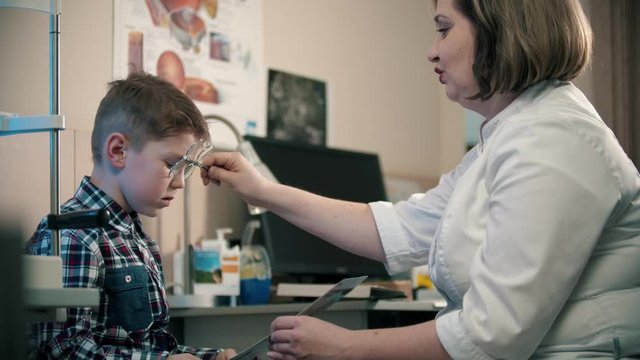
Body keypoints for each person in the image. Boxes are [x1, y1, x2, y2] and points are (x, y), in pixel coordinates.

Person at [200, 0, 640, 358]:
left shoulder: (554, 138)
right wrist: (263, 192)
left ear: (498, 29)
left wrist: (347, 348)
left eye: (444, 29)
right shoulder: (510, 135)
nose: (432, 50)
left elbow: (494, 333)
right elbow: (396, 231)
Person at [27, 72, 237, 359]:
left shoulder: (136, 239)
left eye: (187, 169)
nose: (180, 182)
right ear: (118, 151)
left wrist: (207, 357)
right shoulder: (73, 236)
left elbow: (149, 348)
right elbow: (63, 352)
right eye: (172, 164)